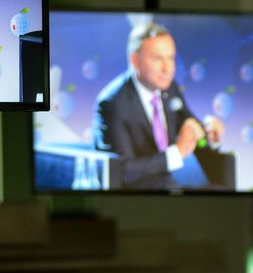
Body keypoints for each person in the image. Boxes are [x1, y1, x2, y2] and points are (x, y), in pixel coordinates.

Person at [92, 22, 225, 189]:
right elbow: (122, 172)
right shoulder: (113, 103)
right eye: (157, 59)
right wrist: (177, 152)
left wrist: (209, 136)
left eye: (171, 58)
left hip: (168, 185)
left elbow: (191, 130)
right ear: (134, 60)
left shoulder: (170, 88)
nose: (167, 68)